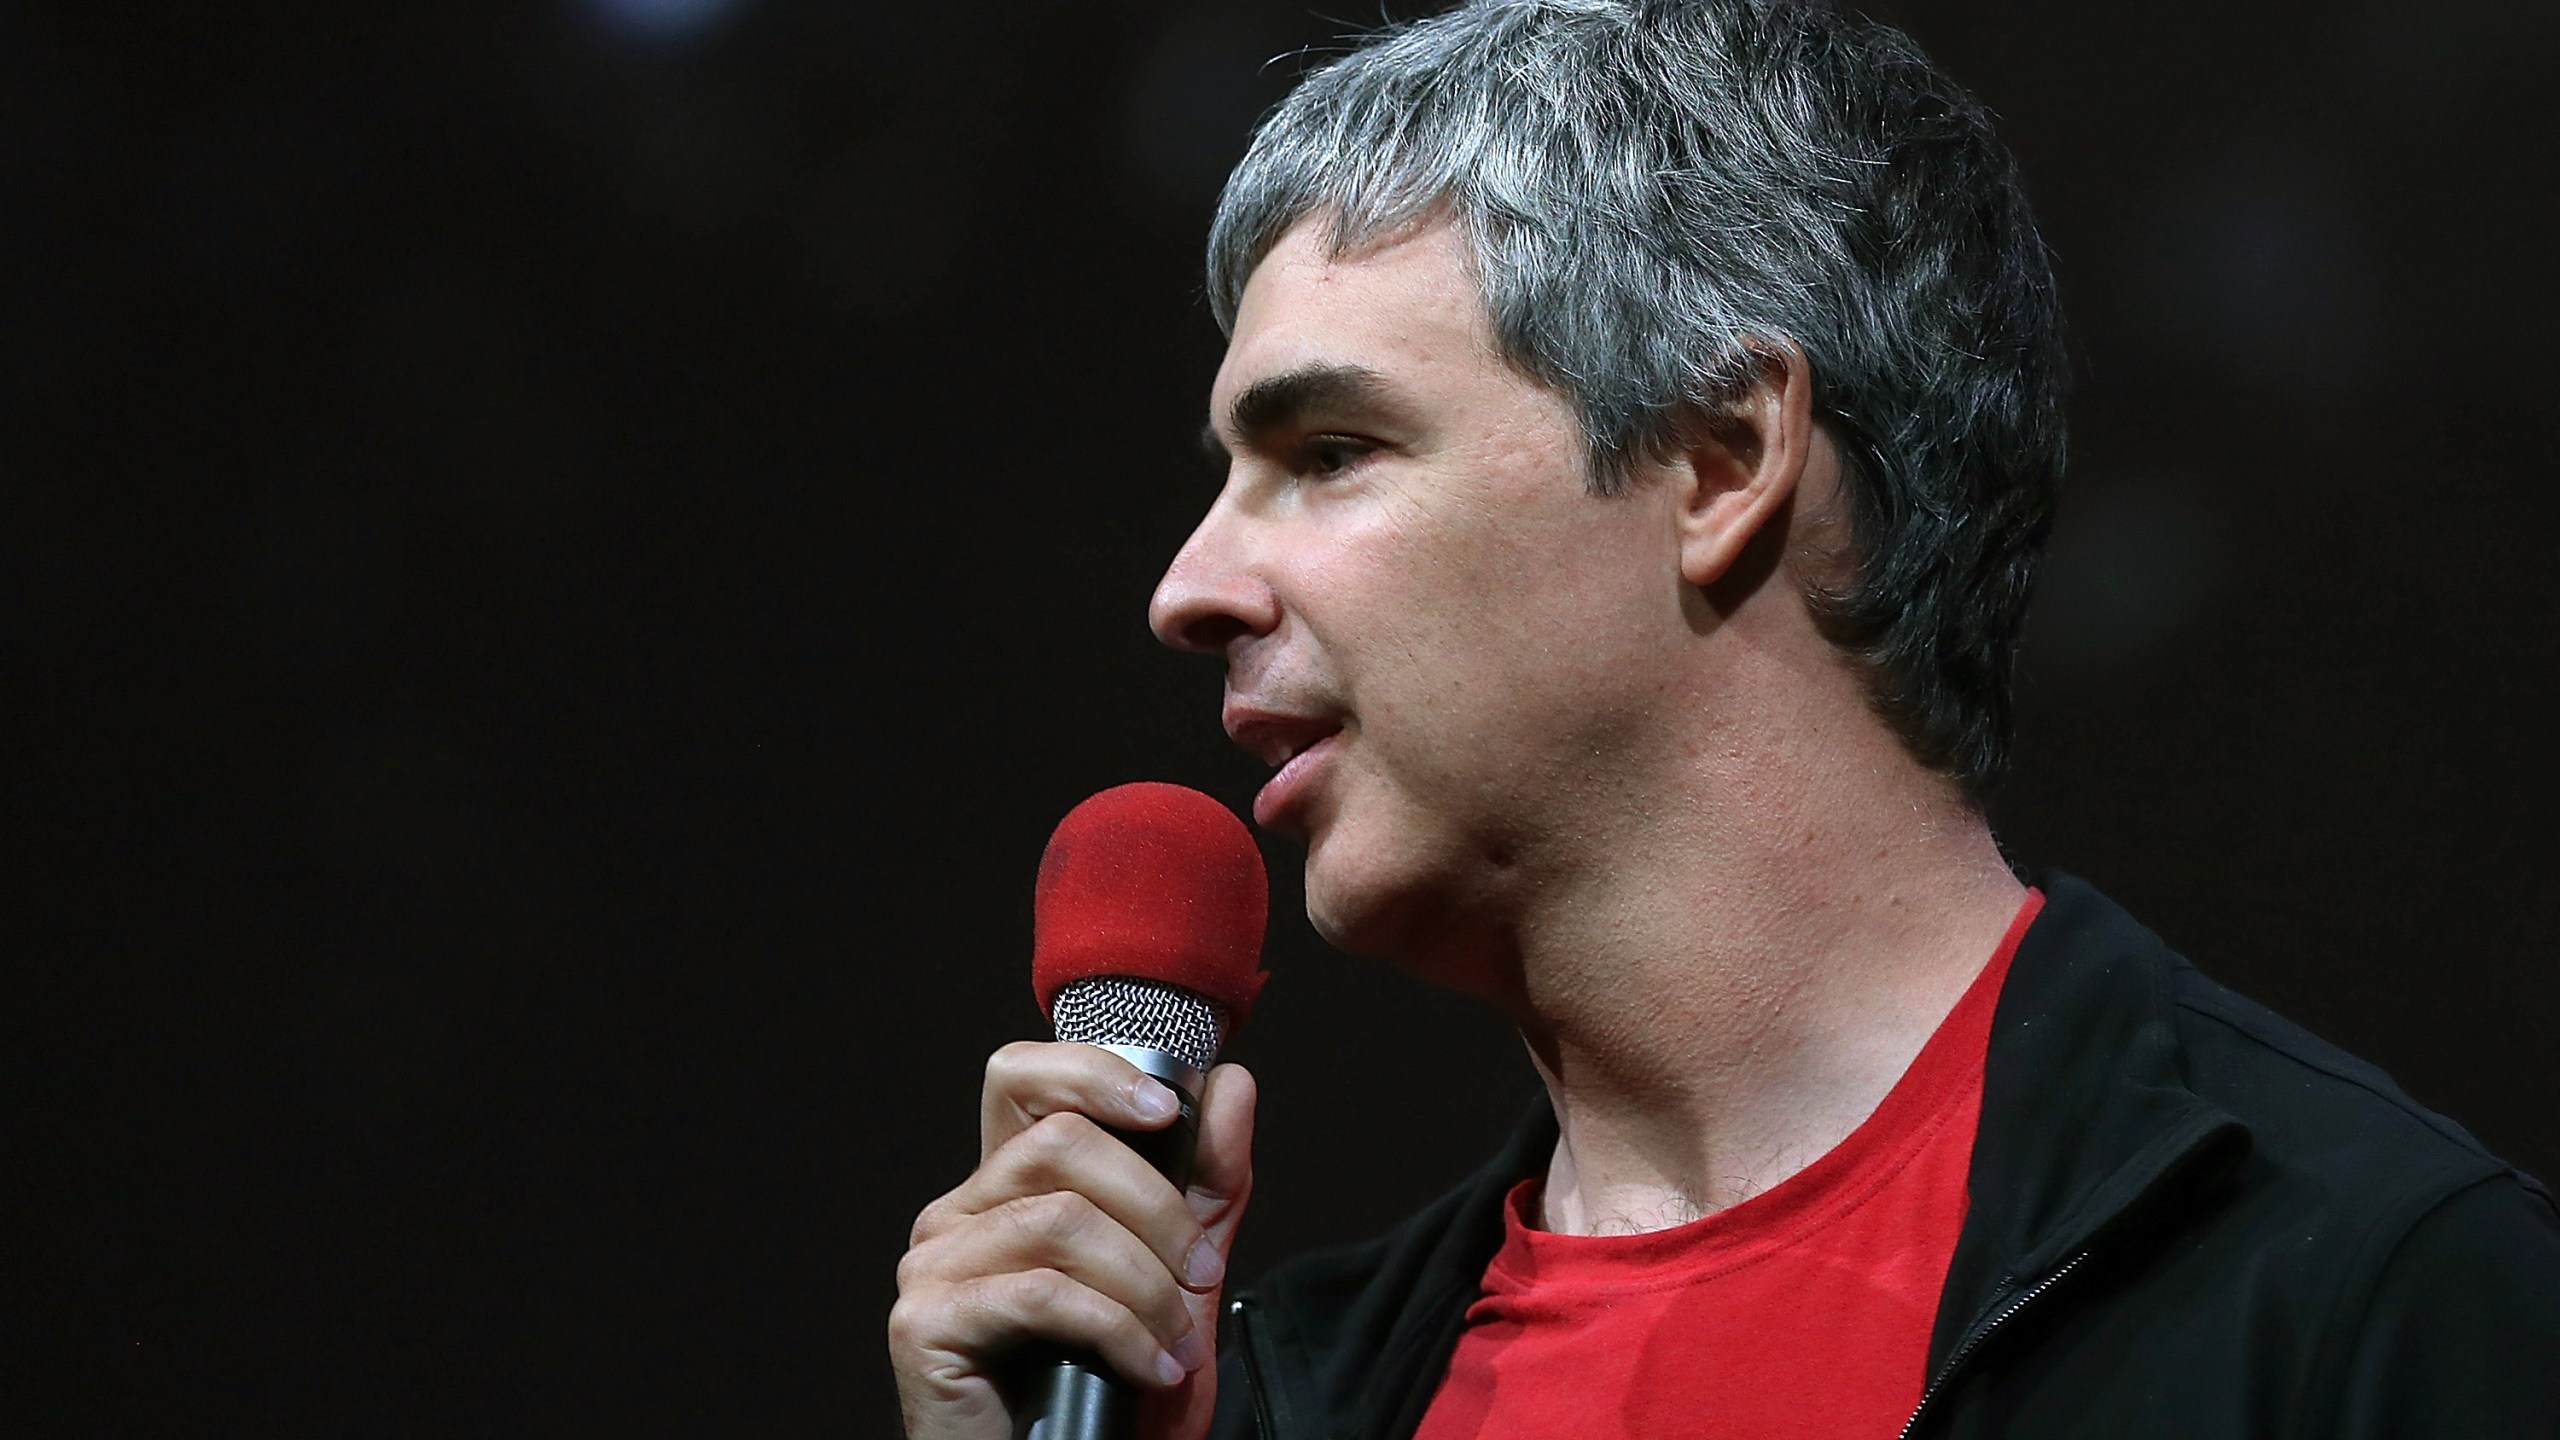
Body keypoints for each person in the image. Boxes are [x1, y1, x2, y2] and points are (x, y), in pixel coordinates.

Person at [888, 1, 2560, 1435]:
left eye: (1328, 454)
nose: (1190, 588)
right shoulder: (1276, 1397)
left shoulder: (2371, 1294)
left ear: (1721, 460)